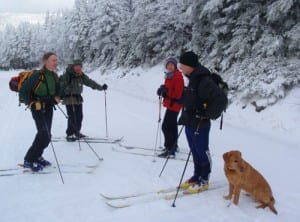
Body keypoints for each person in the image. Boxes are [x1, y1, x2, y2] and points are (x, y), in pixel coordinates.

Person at [178, 51, 224, 194]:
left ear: (189, 65)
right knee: (194, 150)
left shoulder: (204, 80)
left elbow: (221, 99)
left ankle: (204, 179)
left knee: (202, 151)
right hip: (190, 121)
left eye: (182, 65)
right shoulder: (192, 78)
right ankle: (196, 175)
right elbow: (191, 98)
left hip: (200, 123)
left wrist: (207, 114)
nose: (180, 67)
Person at [19, 52, 60, 172]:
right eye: (53, 60)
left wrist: (57, 97)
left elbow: (57, 91)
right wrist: (31, 103)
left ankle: (37, 156)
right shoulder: (37, 75)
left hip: (48, 108)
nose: (56, 62)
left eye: (56, 60)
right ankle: (29, 159)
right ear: (46, 61)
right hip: (37, 108)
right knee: (43, 134)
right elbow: (23, 91)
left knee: (47, 135)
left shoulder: (54, 75)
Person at [59, 60, 108, 141]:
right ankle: (70, 134)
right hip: (69, 98)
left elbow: (90, 83)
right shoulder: (67, 75)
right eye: (76, 66)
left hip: (78, 99)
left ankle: (76, 132)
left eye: (80, 66)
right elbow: (61, 85)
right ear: (73, 66)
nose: (78, 68)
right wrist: (66, 89)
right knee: (72, 117)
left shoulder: (81, 75)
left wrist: (101, 87)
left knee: (79, 116)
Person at [156, 58, 184, 158]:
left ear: (175, 66)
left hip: (174, 105)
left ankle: (169, 149)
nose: (170, 66)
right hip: (171, 104)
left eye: (172, 65)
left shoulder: (177, 76)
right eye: (168, 65)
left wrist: (165, 92)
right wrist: (162, 89)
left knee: (166, 127)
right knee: (172, 126)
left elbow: (177, 93)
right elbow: (169, 88)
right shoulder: (169, 76)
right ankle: (174, 146)